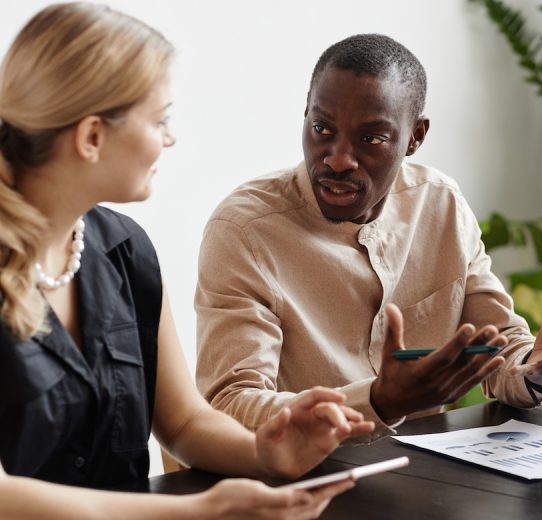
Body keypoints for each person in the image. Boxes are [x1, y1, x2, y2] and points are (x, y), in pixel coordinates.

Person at [0, 4, 374, 519]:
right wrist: (198, 511)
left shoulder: (125, 249)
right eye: (160, 120)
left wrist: (267, 452)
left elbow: (183, 423)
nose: (170, 138)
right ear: (91, 137)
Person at [195, 33, 542, 441]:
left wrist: (537, 367)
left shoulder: (440, 204)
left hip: (422, 480)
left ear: (415, 136)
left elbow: (498, 351)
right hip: (299, 486)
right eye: (322, 129)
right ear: (305, 113)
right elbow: (230, 407)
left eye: (371, 138)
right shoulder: (245, 231)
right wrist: (374, 403)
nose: (339, 159)